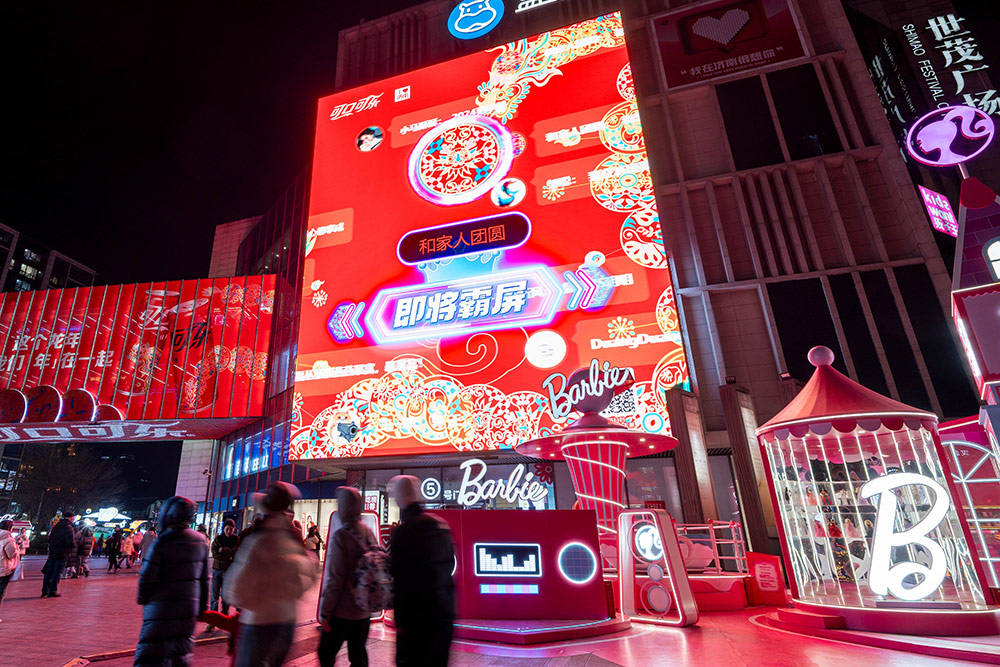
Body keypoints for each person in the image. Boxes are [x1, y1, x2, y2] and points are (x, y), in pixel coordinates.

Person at [224, 482, 319, 667]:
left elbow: (235, 590)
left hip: (258, 622)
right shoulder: (291, 540)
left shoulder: (257, 542)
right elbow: (308, 576)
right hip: (287, 621)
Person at [388, 475, 455, 667]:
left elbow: (401, 580)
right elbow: (449, 567)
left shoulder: (403, 532)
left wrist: (400, 620)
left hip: (415, 619)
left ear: (400, 499)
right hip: (443, 614)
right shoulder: (441, 526)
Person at [134, 496, 209, 667]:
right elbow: (205, 579)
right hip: (188, 607)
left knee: (152, 653)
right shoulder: (200, 541)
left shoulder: (163, 540)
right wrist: (202, 608)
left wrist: (142, 598)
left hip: (161, 607)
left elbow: (147, 576)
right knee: (180, 652)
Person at [318, 487, 376, 667]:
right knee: (358, 657)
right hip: (364, 610)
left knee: (325, 653)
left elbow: (336, 578)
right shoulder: (368, 532)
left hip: (342, 611)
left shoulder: (342, 536)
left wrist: (326, 612)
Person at [206, 519, 240, 631]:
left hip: (229, 571)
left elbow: (235, 553)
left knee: (226, 596)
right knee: (214, 596)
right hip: (217, 570)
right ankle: (213, 621)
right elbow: (215, 553)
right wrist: (228, 555)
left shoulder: (236, 540)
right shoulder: (218, 539)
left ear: (233, 529)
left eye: (231, 529)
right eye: (227, 529)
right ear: (223, 528)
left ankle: (224, 618)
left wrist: (223, 551)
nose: (229, 531)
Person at [42, 509, 76, 598]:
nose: (73, 520)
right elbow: (71, 541)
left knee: (48, 572)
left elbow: (50, 539)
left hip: (53, 552)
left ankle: (45, 590)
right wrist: (70, 548)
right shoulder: (69, 527)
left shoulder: (56, 526)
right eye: (73, 518)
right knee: (57, 572)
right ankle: (53, 590)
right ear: (70, 518)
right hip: (62, 552)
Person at [0, 519, 20, 621]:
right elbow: (11, 555)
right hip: (3, 570)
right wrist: (17, 549)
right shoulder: (9, 540)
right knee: (0, 592)